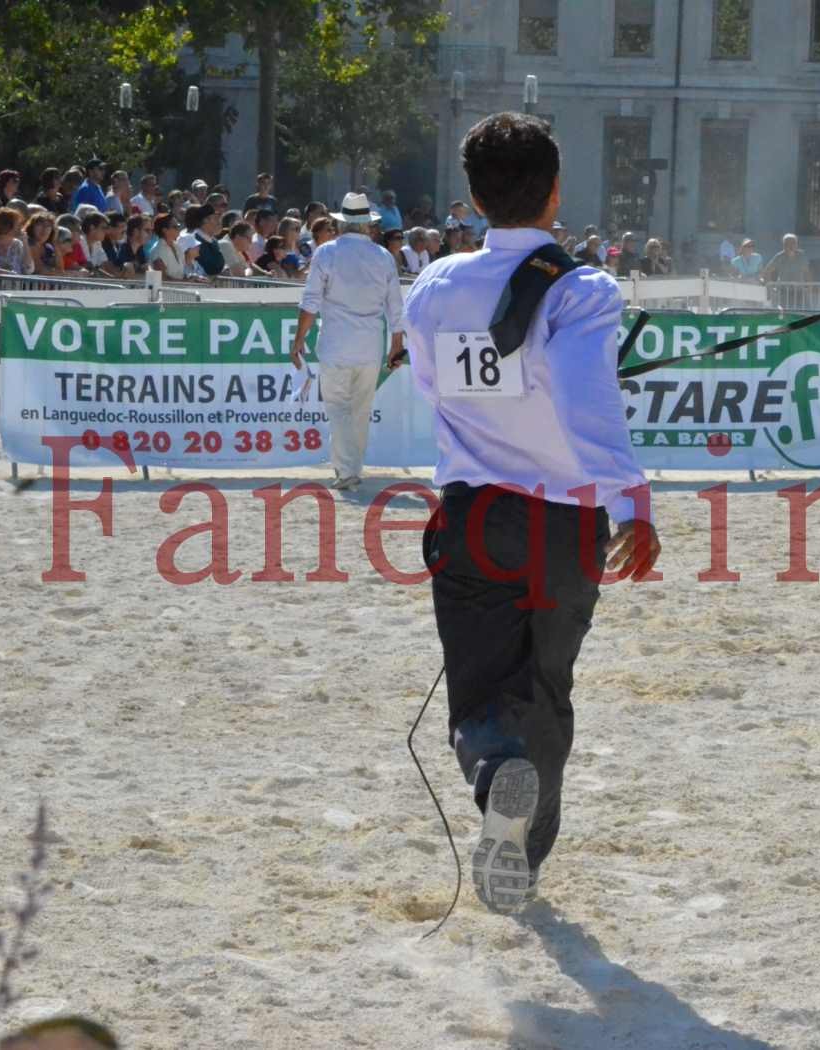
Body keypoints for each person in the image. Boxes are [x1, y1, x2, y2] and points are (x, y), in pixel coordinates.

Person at [393, 110, 660, 915]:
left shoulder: (435, 286)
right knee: (547, 691)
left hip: (474, 514)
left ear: (472, 196)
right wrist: (632, 502)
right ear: (555, 192)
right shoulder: (582, 290)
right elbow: (585, 399)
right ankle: (528, 856)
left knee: (476, 701)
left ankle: (492, 775)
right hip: (565, 526)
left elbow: (437, 391)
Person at [289, 191, 404, 490]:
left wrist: (298, 339)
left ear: (341, 223)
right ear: (368, 224)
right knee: (361, 408)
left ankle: (346, 469)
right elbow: (395, 306)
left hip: (336, 343)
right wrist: (396, 344)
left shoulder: (327, 253)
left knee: (338, 407)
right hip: (369, 345)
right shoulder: (382, 257)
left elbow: (310, 301)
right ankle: (352, 466)